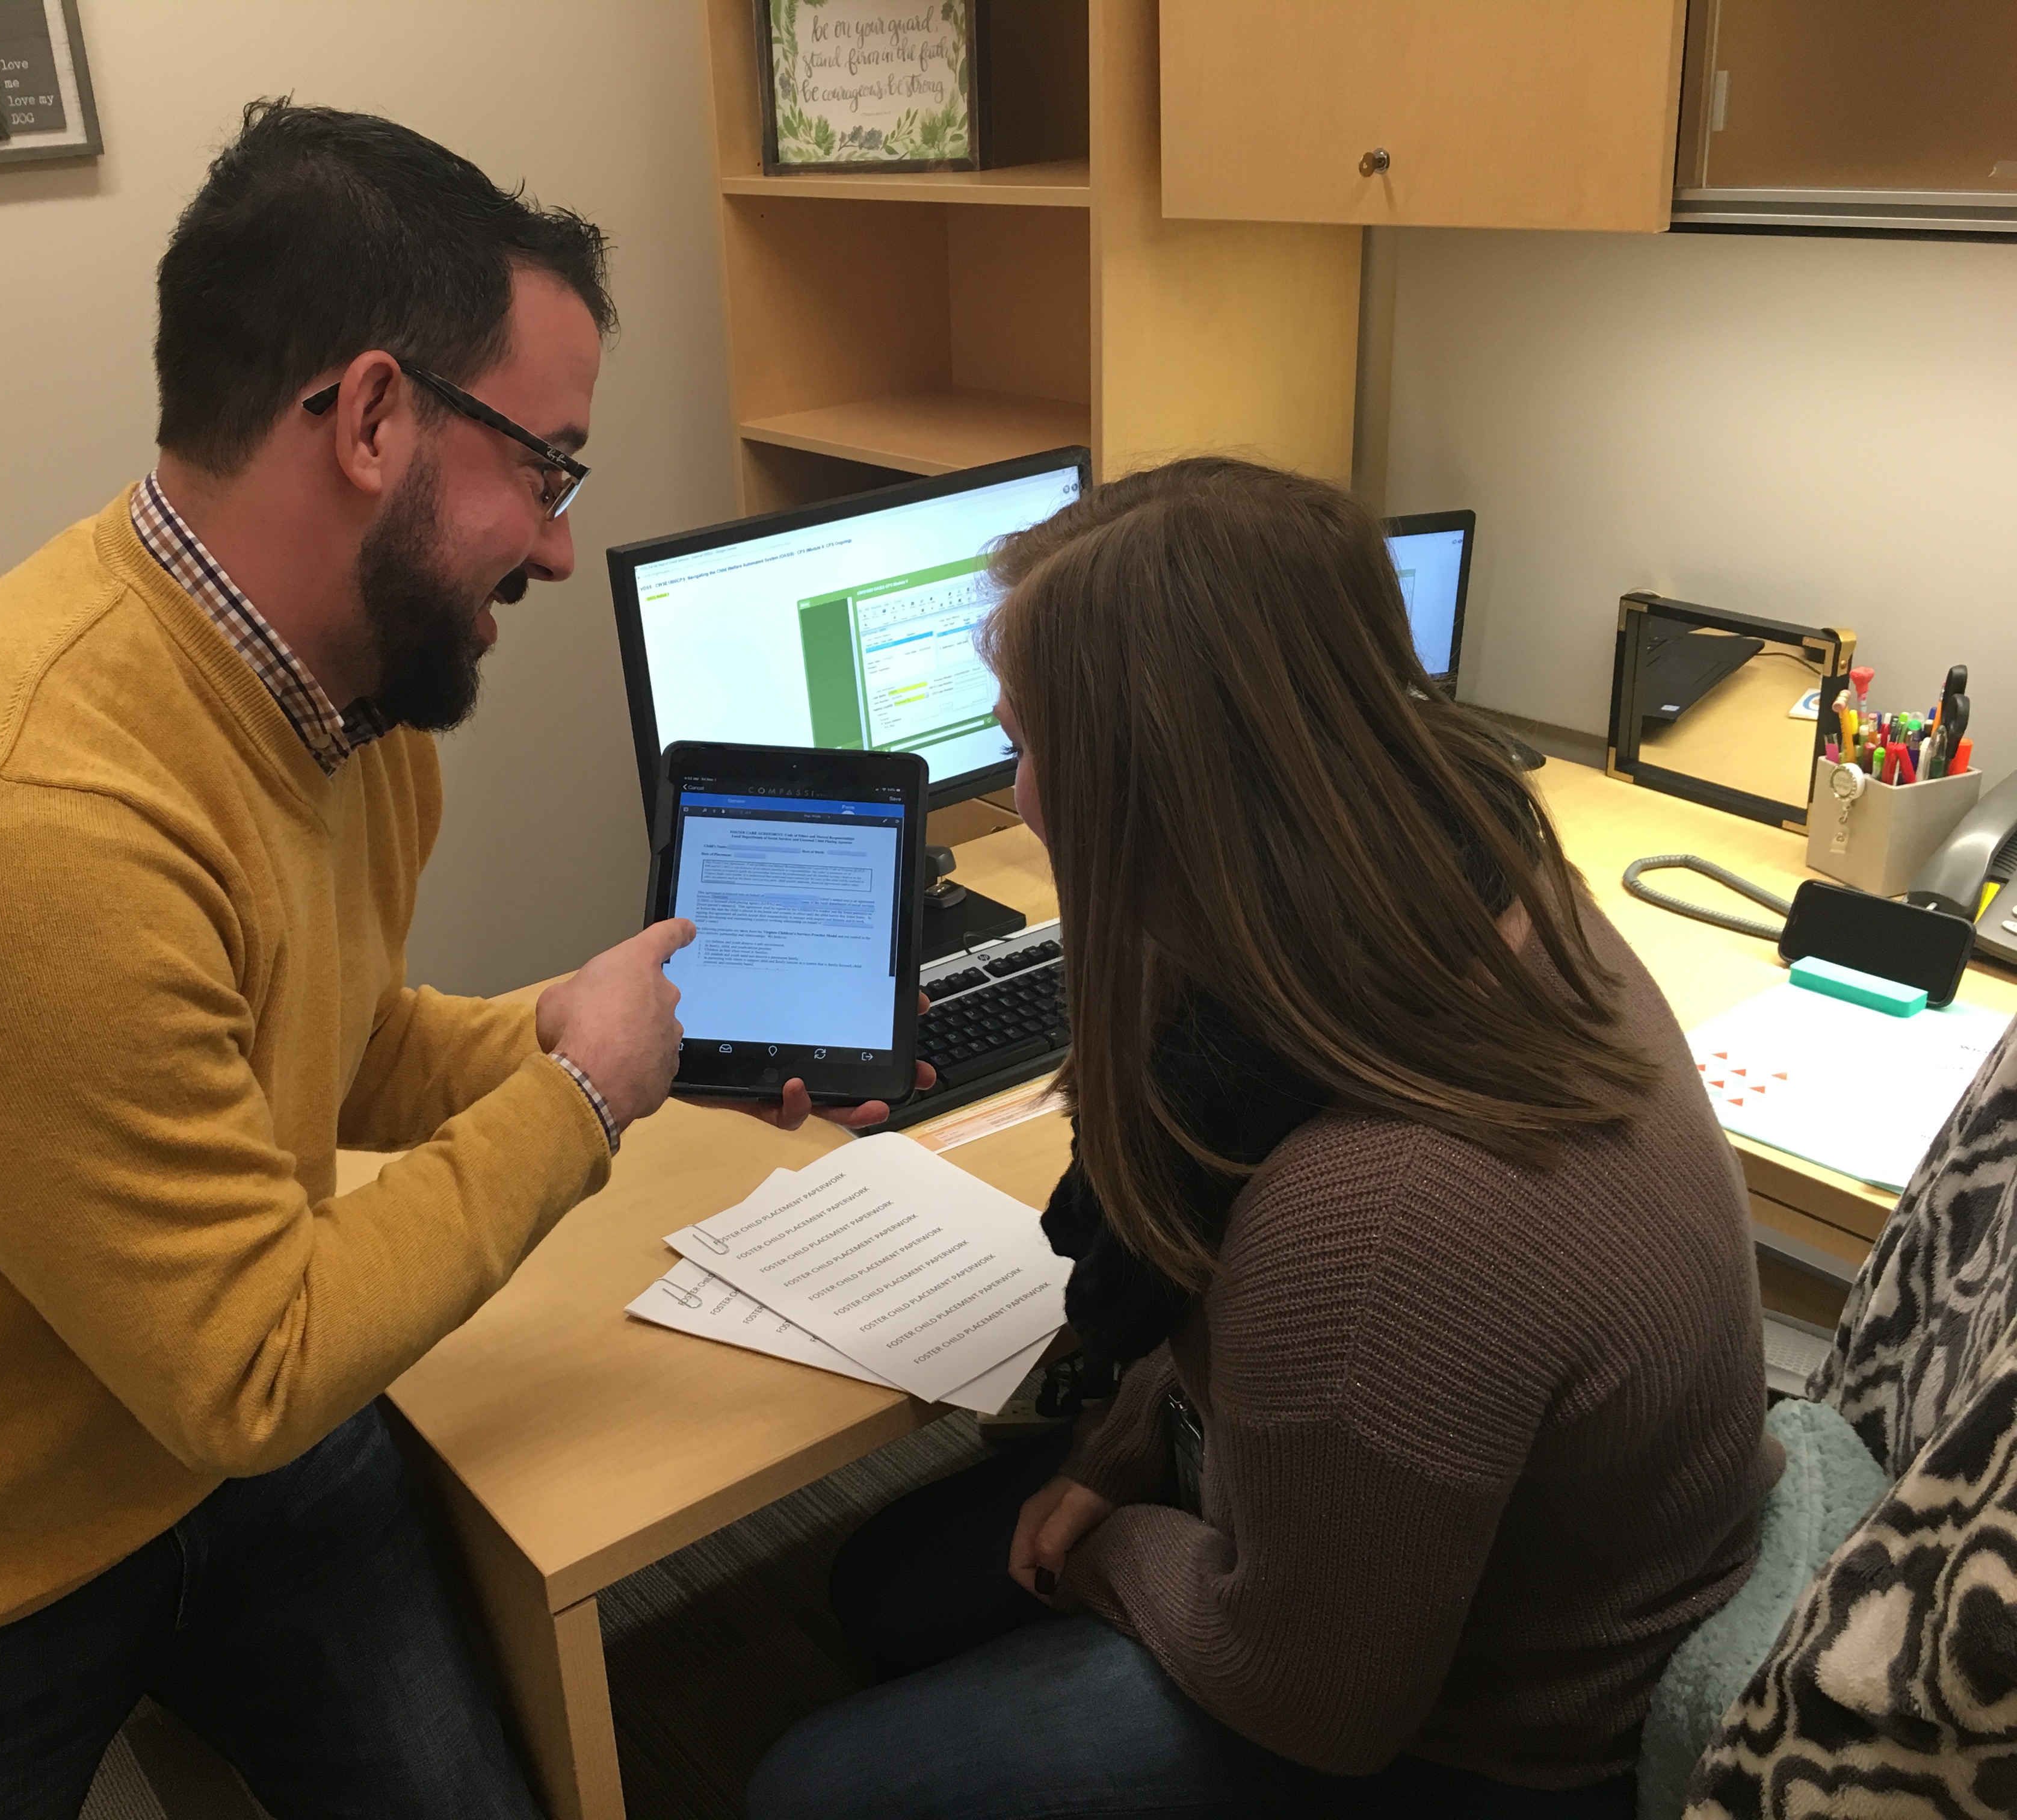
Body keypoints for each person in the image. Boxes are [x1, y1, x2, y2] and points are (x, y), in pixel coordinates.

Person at [0, 102, 903, 1820]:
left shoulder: (352, 705)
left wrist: (546, 1026)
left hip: (201, 1442)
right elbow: (251, 1363)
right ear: (377, 416)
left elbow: (326, 1040)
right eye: (547, 467)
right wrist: (577, 1100)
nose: (555, 541)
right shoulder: (28, 823)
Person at [750, 457, 1779, 1820]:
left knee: (807, 1790)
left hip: (1498, 1734)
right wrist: (1118, 1453)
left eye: (1032, 744)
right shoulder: (1484, 887)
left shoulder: (1378, 1215)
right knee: (884, 1593)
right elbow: (1208, 1266)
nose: (1020, 799)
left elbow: (1318, 1703)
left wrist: (1117, 1548)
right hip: (1437, 1532)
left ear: (1162, 788)